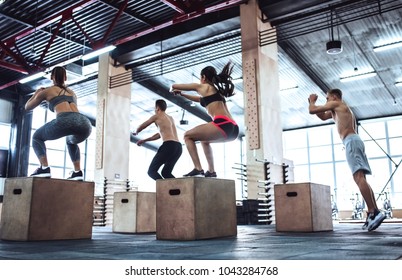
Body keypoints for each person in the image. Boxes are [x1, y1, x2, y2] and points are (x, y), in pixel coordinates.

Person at [308, 88, 385, 231]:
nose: (326, 101)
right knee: (361, 178)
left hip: (351, 141)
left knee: (358, 178)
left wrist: (312, 101)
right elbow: (322, 116)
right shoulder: (338, 109)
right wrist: (315, 105)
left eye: (327, 98)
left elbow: (312, 110)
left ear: (335, 97)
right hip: (353, 141)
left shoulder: (338, 104)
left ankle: (374, 212)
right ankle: (373, 211)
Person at [170, 62, 239, 178]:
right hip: (233, 129)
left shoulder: (203, 86)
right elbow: (200, 100)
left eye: (200, 78)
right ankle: (211, 171)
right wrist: (182, 94)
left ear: (203, 77)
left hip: (222, 124)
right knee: (204, 140)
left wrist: (173, 89)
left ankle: (198, 168)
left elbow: (174, 85)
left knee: (187, 136)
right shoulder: (217, 92)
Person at [25, 66, 92, 180]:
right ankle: (77, 172)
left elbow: (27, 107)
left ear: (52, 77)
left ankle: (44, 168)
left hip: (65, 119)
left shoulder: (48, 90)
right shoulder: (72, 93)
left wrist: (36, 93)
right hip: (85, 123)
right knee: (70, 141)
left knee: (36, 137)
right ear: (65, 77)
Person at [134, 99, 182, 180]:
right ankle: (179, 189)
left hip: (168, 145)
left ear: (157, 108)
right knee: (166, 173)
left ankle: (163, 189)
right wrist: (144, 140)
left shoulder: (156, 116)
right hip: (178, 147)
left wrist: (136, 131)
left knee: (151, 171)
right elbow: (159, 135)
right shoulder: (170, 118)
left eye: (155, 108)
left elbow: (143, 125)